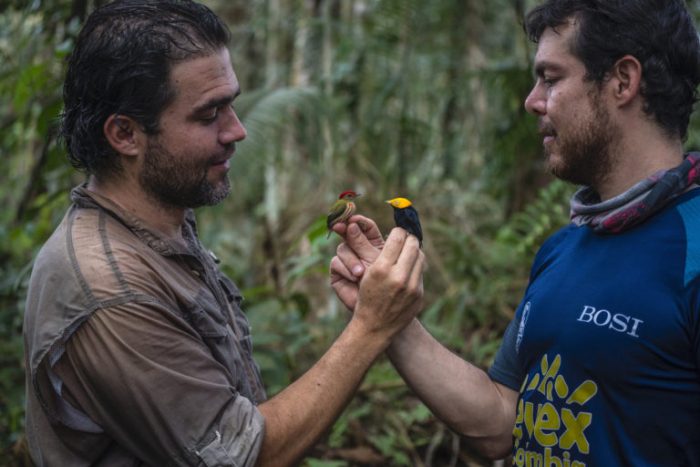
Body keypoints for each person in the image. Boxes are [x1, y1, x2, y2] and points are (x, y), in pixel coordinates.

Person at [22, 0, 425, 465]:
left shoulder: (158, 231)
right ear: (125, 134)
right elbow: (244, 455)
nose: (237, 131)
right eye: (209, 114)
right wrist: (371, 326)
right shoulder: (111, 288)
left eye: (231, 105)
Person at [330, 0, 700, 465]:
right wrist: (389, 314)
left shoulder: (694, 250)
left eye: (551, 78)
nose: (532, 100)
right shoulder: (561, 250)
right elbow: (503, 419)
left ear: (623, 81)